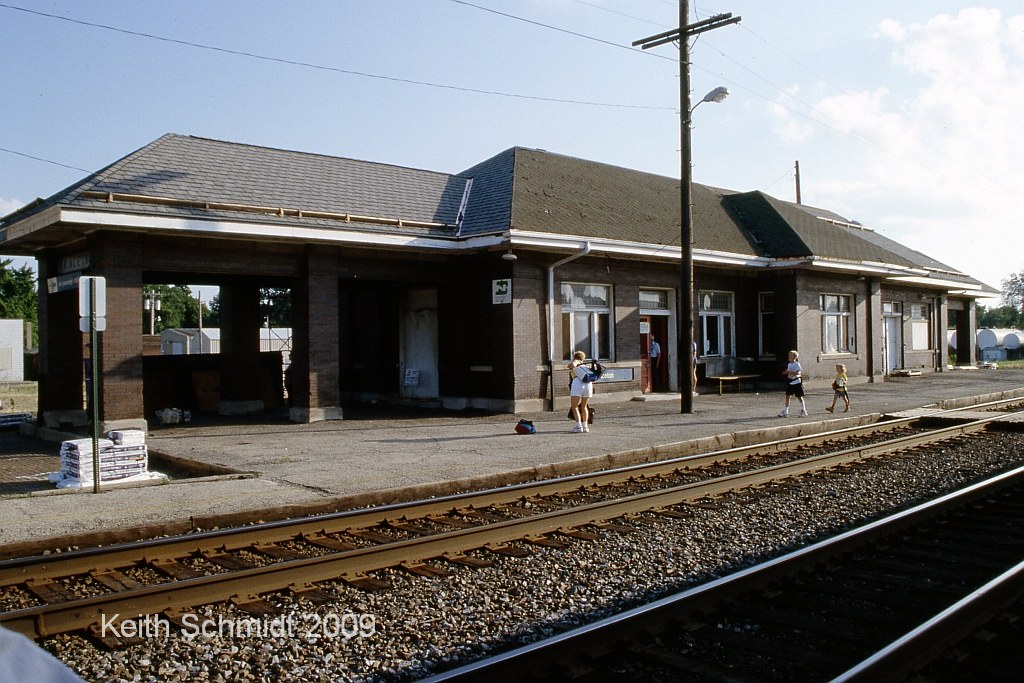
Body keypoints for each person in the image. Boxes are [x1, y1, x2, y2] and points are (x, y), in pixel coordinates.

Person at [567, 350, 593, 433]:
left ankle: (579, 426)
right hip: (588, 385)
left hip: (577, 384)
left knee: (575, 407)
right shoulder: (586, 365)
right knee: (584, 406)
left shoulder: (576, 361)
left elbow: (572, 365)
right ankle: (585, 426)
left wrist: (572, 365)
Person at [778, 349, 807, 417]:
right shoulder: (789, 364)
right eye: (789, 355)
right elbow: (788, 372)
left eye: (790, 355)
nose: (789, 356)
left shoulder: (797, 364)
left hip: (796, 382)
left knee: (799, 397)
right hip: (790, 382)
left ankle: (803, 410)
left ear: (795, 357)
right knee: (787, 396)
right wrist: (786, 372)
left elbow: (798, 372)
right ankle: (786, 410)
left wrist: (790, 372)